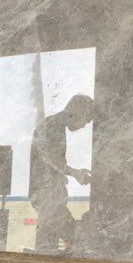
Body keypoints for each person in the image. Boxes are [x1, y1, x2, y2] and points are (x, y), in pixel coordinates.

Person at [28, 94, 94, 252]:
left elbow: (53, 161)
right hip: (48, 198)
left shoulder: (54, 125)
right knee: (77, 239)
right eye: (85, 121)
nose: (83, 126)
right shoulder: (52, 126)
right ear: (79, 112)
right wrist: (75, 173)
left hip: (48, 198)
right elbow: (52, 159)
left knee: (46, 248)